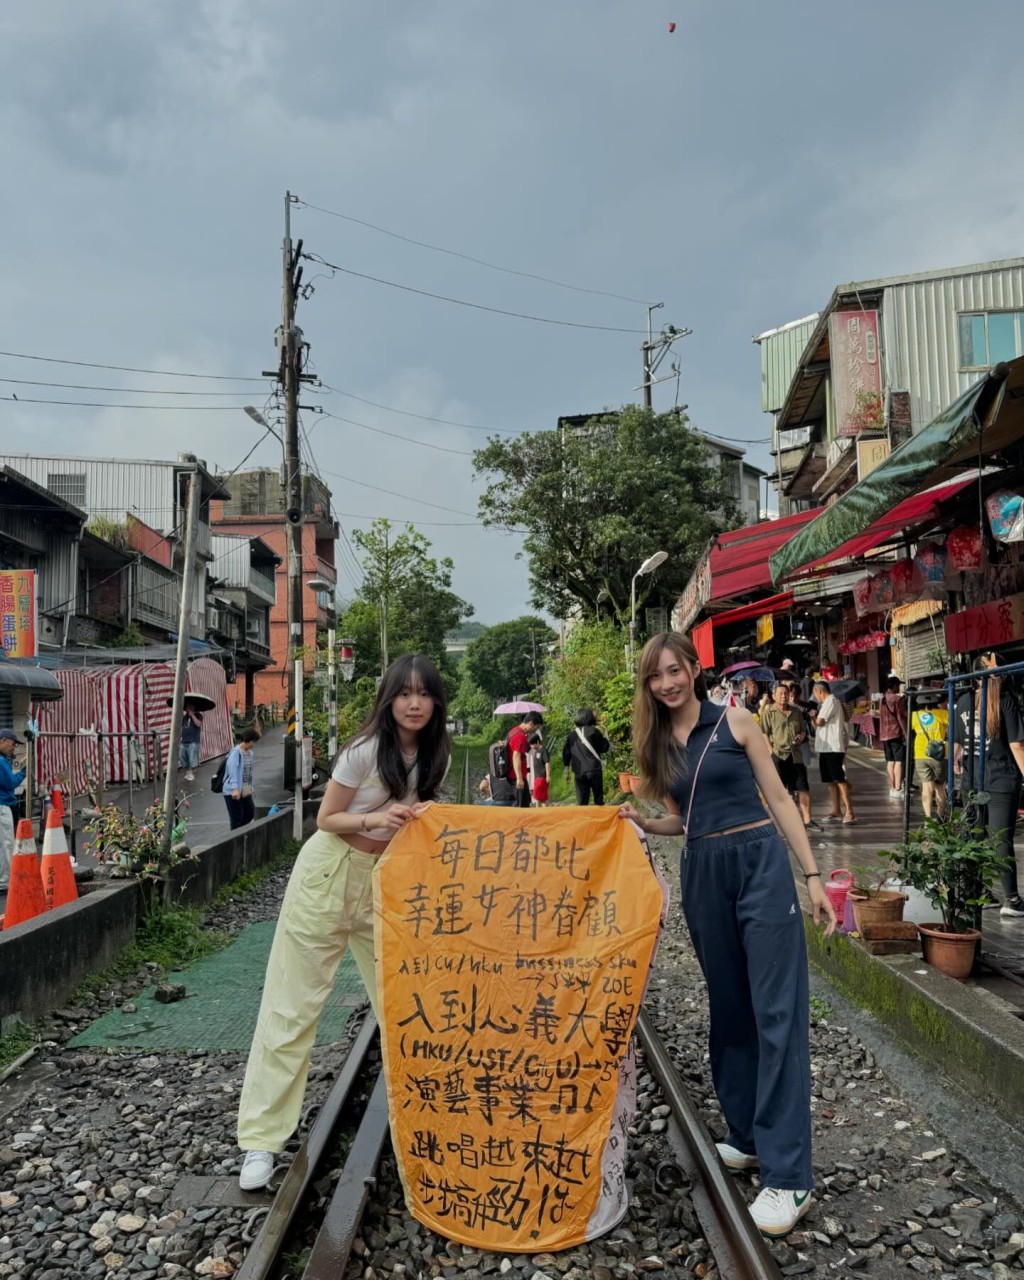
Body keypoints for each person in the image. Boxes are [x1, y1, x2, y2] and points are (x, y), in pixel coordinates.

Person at [619, 632, 834, 1238]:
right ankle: (745, 1136)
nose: (667, 683)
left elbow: (781, 800)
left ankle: (790, 1177)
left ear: (694, 667)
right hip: (702, 872)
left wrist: (811, 876)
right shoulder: (660, 743)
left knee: (777, 1014)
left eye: (674, 670)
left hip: (759, 864)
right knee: (731, 1011)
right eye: (655, 677)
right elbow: (684, 820)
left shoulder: (738, 721)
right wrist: (642, 820)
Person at [236, 653, 450, 1191]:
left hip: (386, 884)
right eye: (405, 693)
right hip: (329, 876)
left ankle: (425, 1128)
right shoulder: (363, 751)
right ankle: (262, 1141)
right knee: (293, 1007)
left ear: (436, 701)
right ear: (390, 698)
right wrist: (377, 817)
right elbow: (324, 818)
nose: (415, 703)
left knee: (405, 1007)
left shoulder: (434, 755)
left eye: (424, 694)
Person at [954, 651, 1024, 917]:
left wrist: (956, 764)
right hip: (1001, 779)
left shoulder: (962, 701)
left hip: (973, 779)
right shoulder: (1005, 701)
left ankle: (976, 891)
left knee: (974, 836)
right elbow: (1017, 746)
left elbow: (957, 744)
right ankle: (1012, 900)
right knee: (1001, 840)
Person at [760, 684, 812, 827]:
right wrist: (771, 751)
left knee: (803, 787)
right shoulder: (768, 713)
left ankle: (807, 820)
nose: (783, 696)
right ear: (774, 695)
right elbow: (764, 733)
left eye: (786, 693)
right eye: (780, 693)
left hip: (796, 755)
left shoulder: (796, 712)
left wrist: (800, 738)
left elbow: (803, 731)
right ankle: (777, 821)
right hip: (778, 755)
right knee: (778, 790)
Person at [811, 681, 855, 824]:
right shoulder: (833, 702)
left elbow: (820, 722)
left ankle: (849, 811)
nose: (815, 697)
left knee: (839, 779)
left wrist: (813, 715)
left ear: (819, 691)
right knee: (830, 781)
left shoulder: (830, 701)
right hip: (825, 747)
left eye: (815, 693)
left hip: (833, 748)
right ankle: (836, 809)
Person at [562, 708, 610, 805]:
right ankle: (599, 818)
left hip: (579, 772)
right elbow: (604, 748)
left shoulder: (571, 735)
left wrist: (566, 770)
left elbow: (566, 753)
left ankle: (583, 819)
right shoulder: (594, 731)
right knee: (598, 799)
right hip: (594, 769)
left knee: (582, 801)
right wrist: (605, 733)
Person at [911, 699, 949, 819]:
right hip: (940, 754)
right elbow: (952, 727)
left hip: (920, 754)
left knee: (926, 787)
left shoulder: (915, 715)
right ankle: (940, 815)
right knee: (939, 786)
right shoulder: (943, 713)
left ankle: (928, 819)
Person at [0, 729, 26, 890]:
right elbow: (10, 784)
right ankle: (4, 881)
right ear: (2, 741)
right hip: (2, 806)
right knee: (6, 844)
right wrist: (24, 772)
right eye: (12, 743)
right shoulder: (1, 762)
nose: (14, 747)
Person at [223, 730, 260, 829]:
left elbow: (247, 773)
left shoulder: (250, 754)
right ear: (250, 740)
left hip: (244, 789)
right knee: (236, 818)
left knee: (250, 813)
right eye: (254, 742)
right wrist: (234, 789)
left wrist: (250, 787)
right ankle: (235, 838)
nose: (255, 744)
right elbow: (232, 771)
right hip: (232, 790)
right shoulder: (236, 753)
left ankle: (240, 832)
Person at [507, 711, 544, 809]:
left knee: (522, 805)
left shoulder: (513, 731)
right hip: (517, 778)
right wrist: (519, 778)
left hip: (513, 776)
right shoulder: (520, 736)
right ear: (531, 723)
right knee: (522, 808)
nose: (535, 731)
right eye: (536, 728)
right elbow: (516, 756)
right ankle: (521, 825)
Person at [879, 677, 908, 797]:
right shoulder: (897, 699)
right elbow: (900, 717)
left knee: (890, 761)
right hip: (895, 733)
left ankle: (892, 788)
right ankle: (898, 788)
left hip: (885, 734)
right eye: (898, 685)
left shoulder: (883, 699)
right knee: (899, 761)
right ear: (895, 686)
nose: (899, 687)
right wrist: (906, 732)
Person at [179, 701, 204, 782]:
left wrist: (192, 715)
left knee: (192, 758)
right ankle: (187, 772)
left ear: (193, 707)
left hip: (193, 740)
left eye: (190, 706)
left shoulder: (198, 715)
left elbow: (198, 724)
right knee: (181, 756)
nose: (188, 708)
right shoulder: (184, 717)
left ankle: (191, 772)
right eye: (187, 706)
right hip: (184, 740)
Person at [527, 731, 550, 806]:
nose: (532, 746)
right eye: (531, 745)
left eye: (533, 744)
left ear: (537, 742)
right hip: (537, 778)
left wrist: (548, 775)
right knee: (540, 796)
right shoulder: (535, 752)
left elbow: (547, 762)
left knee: (538, 796)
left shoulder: (543, 751)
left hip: (542, 777)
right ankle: (543, 811)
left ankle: (539, 811)